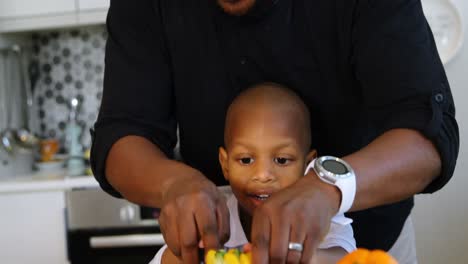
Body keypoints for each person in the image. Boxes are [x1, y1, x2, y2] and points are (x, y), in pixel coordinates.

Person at [91, 0, 459, 263]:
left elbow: (427, 132)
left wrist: (330, 186)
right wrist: (172, 183)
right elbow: (123, 131)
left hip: (375, 238)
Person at [150, 83, 357, 264]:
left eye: (282, 160)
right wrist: (195, 254)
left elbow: (346, 258)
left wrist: (304, 259)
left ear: (308, 164)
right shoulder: (213, 212)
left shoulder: (320, 214)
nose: (263, 175)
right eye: (246, 160)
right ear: (225, 164)